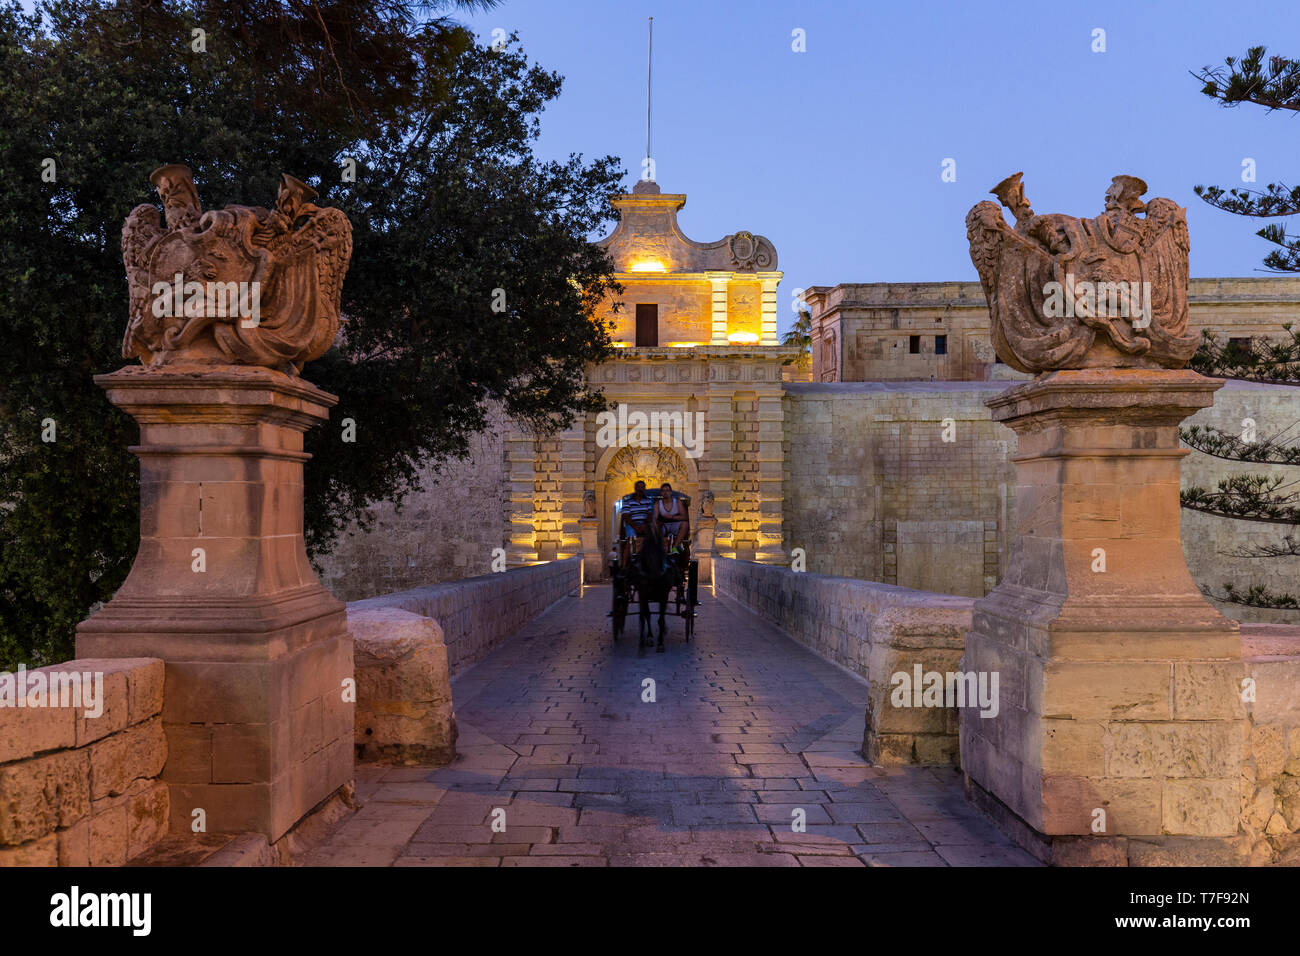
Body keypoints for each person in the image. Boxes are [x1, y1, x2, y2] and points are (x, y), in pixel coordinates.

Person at [619, 481, 654, 566]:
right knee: (630, 540)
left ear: (644, 489)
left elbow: (649, 515)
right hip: (631, 524)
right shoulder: (627, 501)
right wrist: (635, 526)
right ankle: (624, 565)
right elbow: (626, 516)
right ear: (635, 488)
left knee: (651, 539)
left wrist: (643, 525)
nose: (640, 489)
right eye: (639, 487)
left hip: (644, 524)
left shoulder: (648, 501)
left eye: (642, 487)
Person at [653, 482, 689, 556]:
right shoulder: (658, 504)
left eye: (667, 490)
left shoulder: (677, 502)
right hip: (663, 525)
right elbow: (655, 518)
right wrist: (658, 523)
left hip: (675, 524)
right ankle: (659, 548)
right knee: (654, 527)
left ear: (671, 492)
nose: (665, 492)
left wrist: (672, 517)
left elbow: (685, 517)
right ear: (661, 493)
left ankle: (675, 547)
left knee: (685, 524)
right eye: (663, 491)